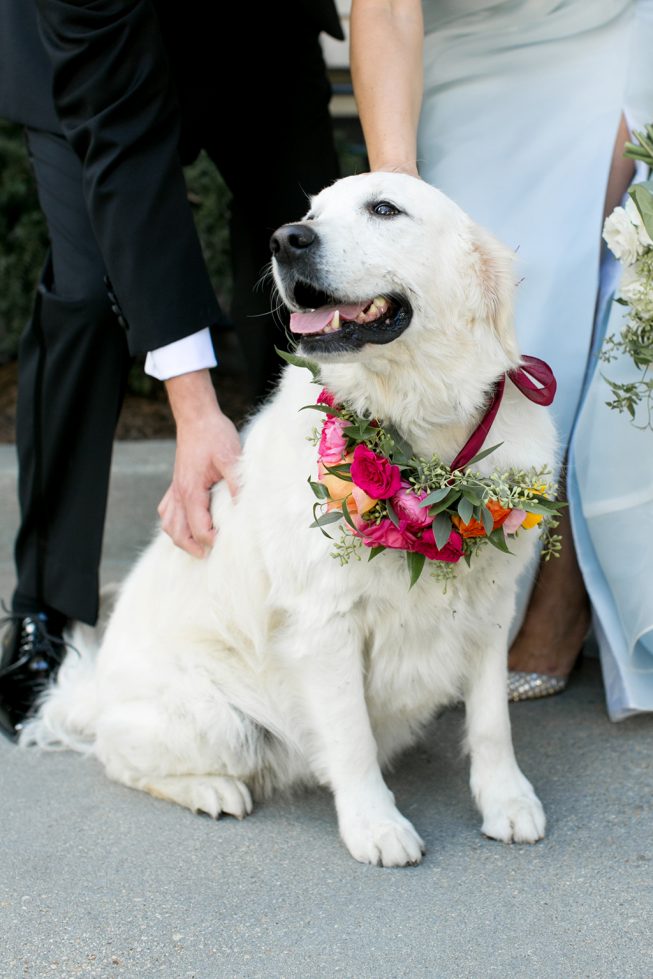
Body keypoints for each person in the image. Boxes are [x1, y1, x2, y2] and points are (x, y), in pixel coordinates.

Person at [0, 0, 344, 738]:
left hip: (258, 32)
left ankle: (314, 547)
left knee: (314, 258)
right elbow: (123, 148)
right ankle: (44, 603)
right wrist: (194, 409)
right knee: (89, 293)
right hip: (83, 50)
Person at [349, 0, 653, 713]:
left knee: (563, 265)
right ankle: (412, 576)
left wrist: (595, 195)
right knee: (436, 287)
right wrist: (398, 187)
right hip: (462, 62)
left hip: (615, 44)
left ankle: (562, 586)